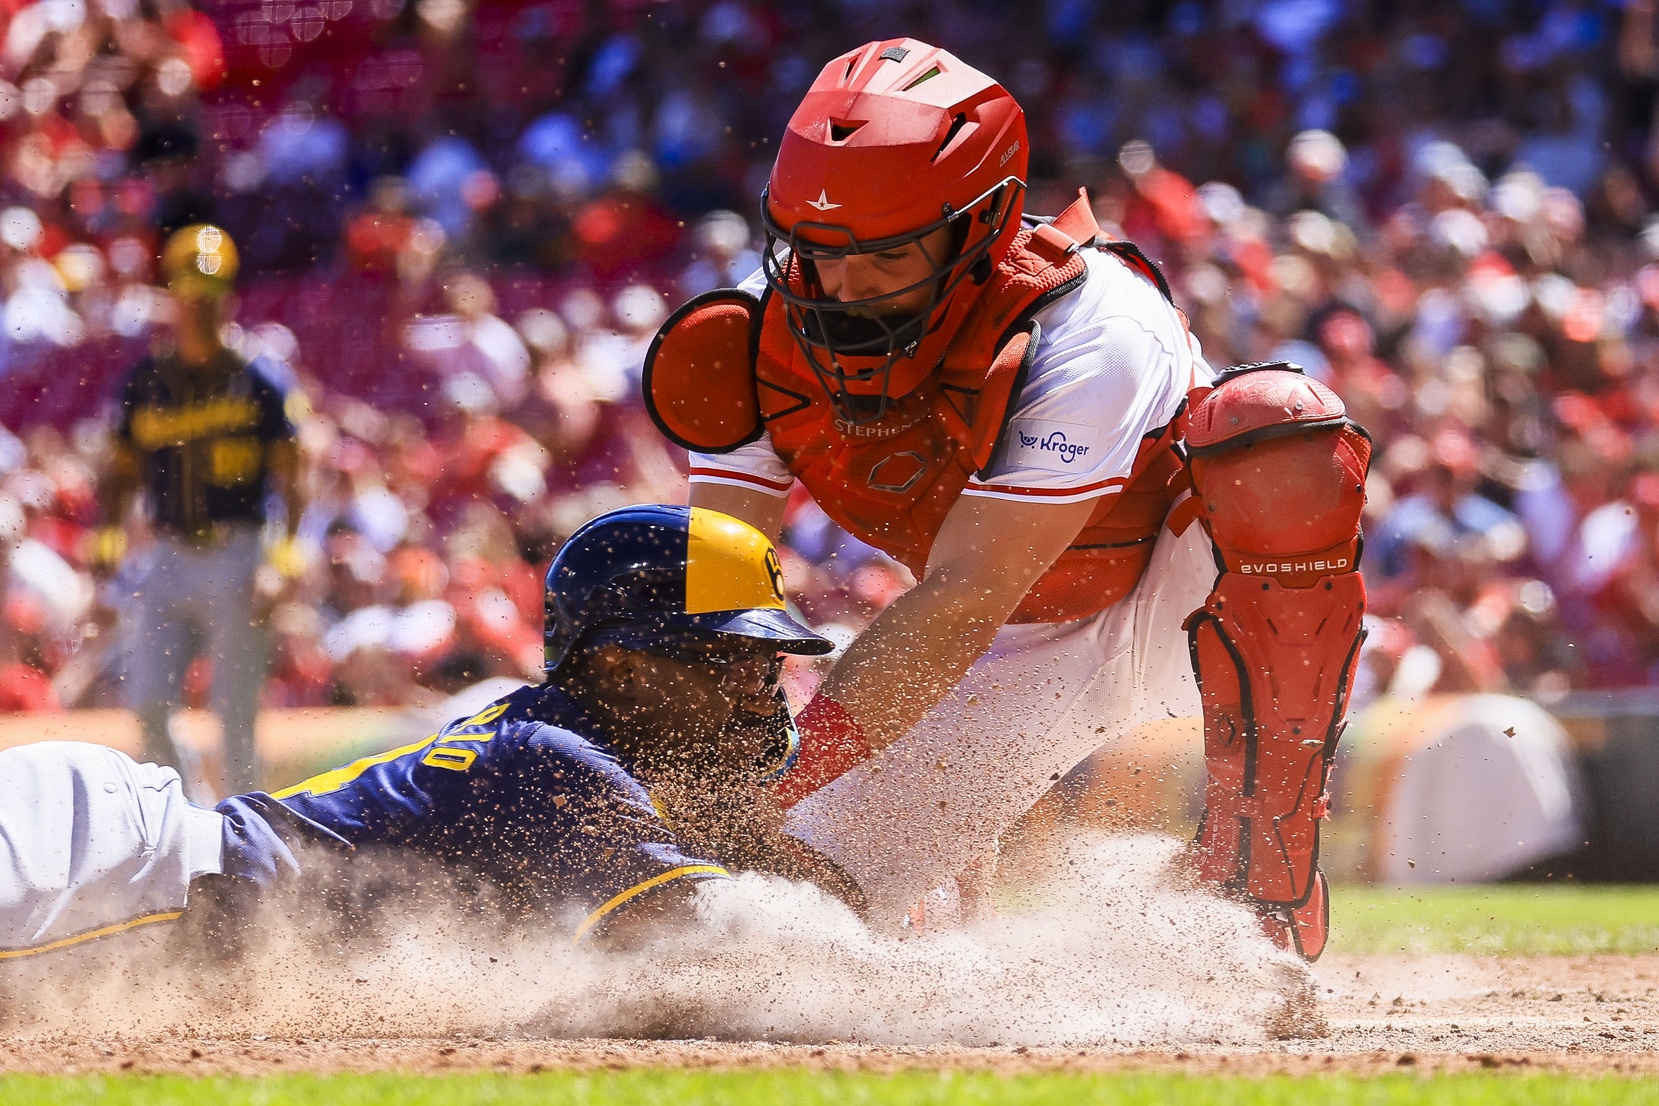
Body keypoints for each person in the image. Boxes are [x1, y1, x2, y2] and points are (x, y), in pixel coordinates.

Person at [643, 40, 1371, 959]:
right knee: (772, 922)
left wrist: (786, 778)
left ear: (978, 227)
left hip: (1182, 590)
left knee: (1275, 429)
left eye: (884, 255)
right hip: (1002, 653)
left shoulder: (1097, 324)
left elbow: (961, 595)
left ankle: (1262, 877)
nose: (840, 289)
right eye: (817, 251)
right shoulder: (748, 329)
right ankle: (926, 889)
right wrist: (704, 776)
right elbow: (722, 576)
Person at [0, 505, 848, 961]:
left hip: (144, 868)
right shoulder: (555, 757)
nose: (759, 689)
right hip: (121, 872)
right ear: (621, 669)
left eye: (764, 665)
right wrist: (940, 976)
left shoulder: (571, 747)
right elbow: (722, 939)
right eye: (728, 660)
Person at [97, 225, 305, 795]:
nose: (199, 308)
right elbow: (117, 473)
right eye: (189, 295)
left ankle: (244, 850)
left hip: (239, 550)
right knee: (148, 704)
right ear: (173, 298)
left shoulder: (260, 376)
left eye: (209, 296)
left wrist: (282, 560)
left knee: (234, 714)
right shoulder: (145, 382)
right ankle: (192, 828)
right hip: (166, 553)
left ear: (228, 298)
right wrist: (107, 544)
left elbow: (295, 478)